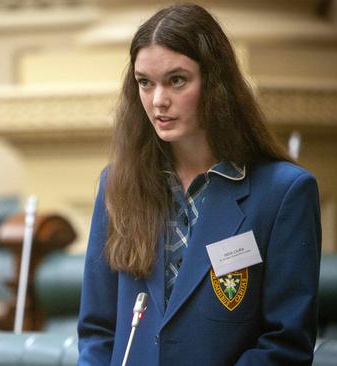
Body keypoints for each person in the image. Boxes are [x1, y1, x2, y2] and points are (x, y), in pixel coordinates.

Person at [78, 3, 321, 366]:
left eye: (177, 80)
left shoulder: (284, 193)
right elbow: (98, 332)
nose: (158, 101)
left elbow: (284, 344)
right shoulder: (118, 183)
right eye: (145, 82)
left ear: (215, 83)